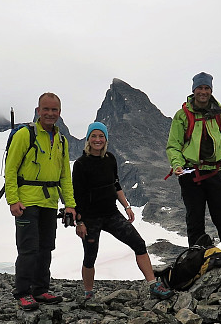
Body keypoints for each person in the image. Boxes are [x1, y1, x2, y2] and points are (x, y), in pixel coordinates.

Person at [72, 122, 174, 300]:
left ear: (106, 139)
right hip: (90, 218)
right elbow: (77, 195)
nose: (97, 140)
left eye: (101, 136)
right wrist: (79, 222)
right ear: (88, 139)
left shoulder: (110, 159)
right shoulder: (81, 164)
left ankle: (153, 285)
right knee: (90, 255)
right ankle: (88, 293)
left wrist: (127, 206)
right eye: (94, 136)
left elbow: (116, 184)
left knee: (139, 244)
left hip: (111, 214)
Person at [6, 92, 76, 311]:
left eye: (54, 110)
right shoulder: (26, 135)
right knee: (28, 249)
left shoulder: (61, 140)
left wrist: (70, 204)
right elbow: (11, 169)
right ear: (38, 111)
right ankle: (23, 292)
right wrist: (13, 200)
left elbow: (65, 175)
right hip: (27, 201)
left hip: (49, 202)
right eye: (45, 109)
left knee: (45, 248)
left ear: (59, 112)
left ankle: (40, 289)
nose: (50, 113)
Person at [166, 72, 221, 260]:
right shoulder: (182, 115)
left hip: (216, 173)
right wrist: (177, 164)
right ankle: (197, 263)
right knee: (195, 223)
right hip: (191, 175)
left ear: (211, 90)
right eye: (200, 88)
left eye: (207, 88)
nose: (203, 92)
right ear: (193, 90)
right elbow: (173, 145)